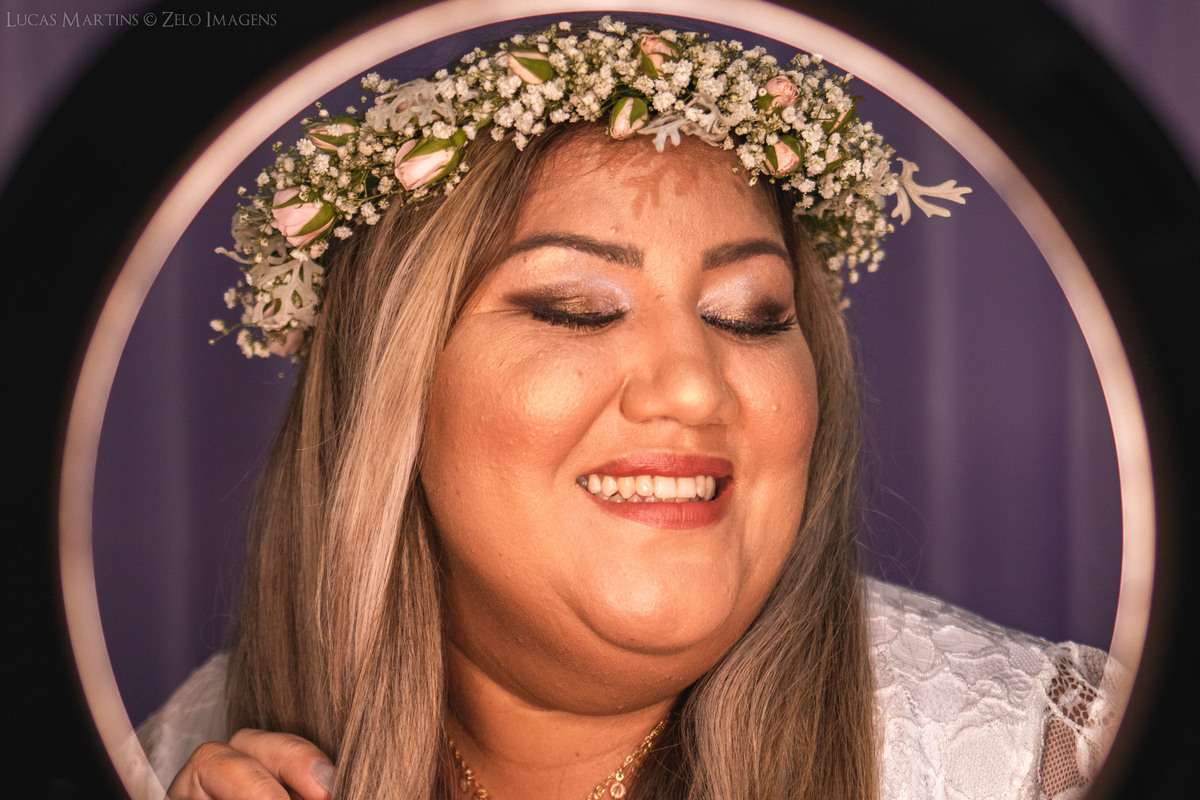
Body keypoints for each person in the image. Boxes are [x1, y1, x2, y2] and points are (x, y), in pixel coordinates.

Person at [136, 19, 1123, 800]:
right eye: (577, 309)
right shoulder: (175, 754)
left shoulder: (1048, 758)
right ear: (388, 391)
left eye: (749, 315)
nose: (692, 386)